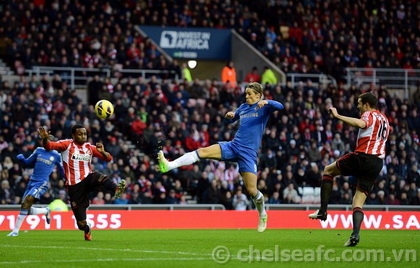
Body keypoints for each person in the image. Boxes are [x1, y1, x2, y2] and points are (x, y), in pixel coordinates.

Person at [157, 82, 284, 232]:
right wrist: (229, 116)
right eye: (246, 94)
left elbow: (280, 106)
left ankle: (262, 214)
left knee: (252, 191)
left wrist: (266, 101)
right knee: (203, 152)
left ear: (258, 95)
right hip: (233, 146)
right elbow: (233, 118)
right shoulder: (243, 107)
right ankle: (168, 165)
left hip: (248, 154)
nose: (247, 96)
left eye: (250, 94)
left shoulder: (264, 107)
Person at [309, 92, 390, 247]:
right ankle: (355, 235)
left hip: (363, 156)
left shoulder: (369, 114)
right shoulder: (385, 120)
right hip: (377, 163)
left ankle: (322, 211)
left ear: (366, 104)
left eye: (359, 103)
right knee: (357, 203)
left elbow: (361, 124)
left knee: (328, 171)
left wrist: (338, 116)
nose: (357, 106)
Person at [38, 124, 126, 241]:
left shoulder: (89, 147)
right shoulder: (66, 144)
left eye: (85, 134)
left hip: (87, 178)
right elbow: (49, 146)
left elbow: (109, 158)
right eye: (80, 134)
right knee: (81, 223)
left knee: (97, 176)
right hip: (74, 186)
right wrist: (45, 138)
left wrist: (103, 152)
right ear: (73, 135)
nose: (83, 136)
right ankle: (86, 229)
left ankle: (116, 189)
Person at [7, 140, 65, 237]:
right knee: (26, 208)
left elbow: (61, 170)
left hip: (42, 183)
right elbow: (28, 163)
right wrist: (22, 159)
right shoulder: (38, 150)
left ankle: (15, 231)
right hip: (32, 182)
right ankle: (45, 211)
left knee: (28, 200)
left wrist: (66, 179)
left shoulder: (56, 155)